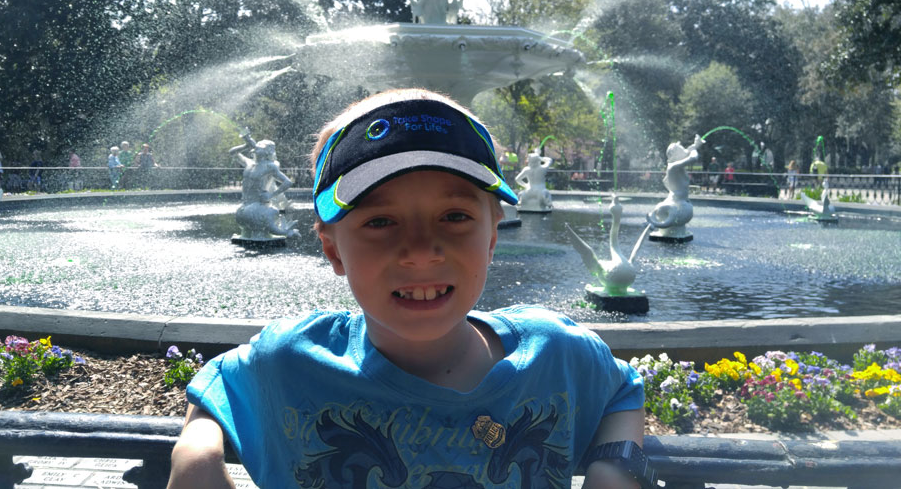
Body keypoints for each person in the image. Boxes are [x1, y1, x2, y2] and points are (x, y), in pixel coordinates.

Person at [168, 89, 648, 489]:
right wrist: (196, 457)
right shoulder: (291, 359)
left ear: (493, 237)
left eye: (455, 217)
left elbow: (623, 391)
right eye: (381, 221)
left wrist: (613, 468)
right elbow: (219, 384)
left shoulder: (558, 355)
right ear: (334, 250)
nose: (421, 251)